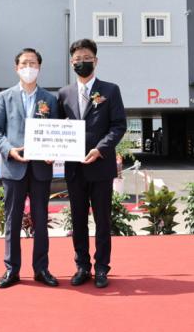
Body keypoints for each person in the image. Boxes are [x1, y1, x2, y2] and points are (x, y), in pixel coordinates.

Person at [58, 38, 127, 288]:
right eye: (77, 59)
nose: (82, 62)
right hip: (74, 168)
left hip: (100, 166)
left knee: (102, 221)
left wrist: (100, 149)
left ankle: (101, 268)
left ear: (95, 61)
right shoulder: (63, 94)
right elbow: (56, 127)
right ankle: (82, 266)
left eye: (87, 58)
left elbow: (118, 125)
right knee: (77, 220)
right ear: (71, 62)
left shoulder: (110, 90)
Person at [0, 48, 60, 289]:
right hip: (13, 168)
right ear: (16, 68)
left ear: (39, 67)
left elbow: (57, 132)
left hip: (41, 170)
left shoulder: (50, 99)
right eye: (24, 63)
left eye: (33, 63)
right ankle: (12, 269)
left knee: (41, 220)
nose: (29, 68)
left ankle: (41, 269)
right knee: (12, 220)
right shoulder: (4, 97)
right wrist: (9, 150)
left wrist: (53, 152)